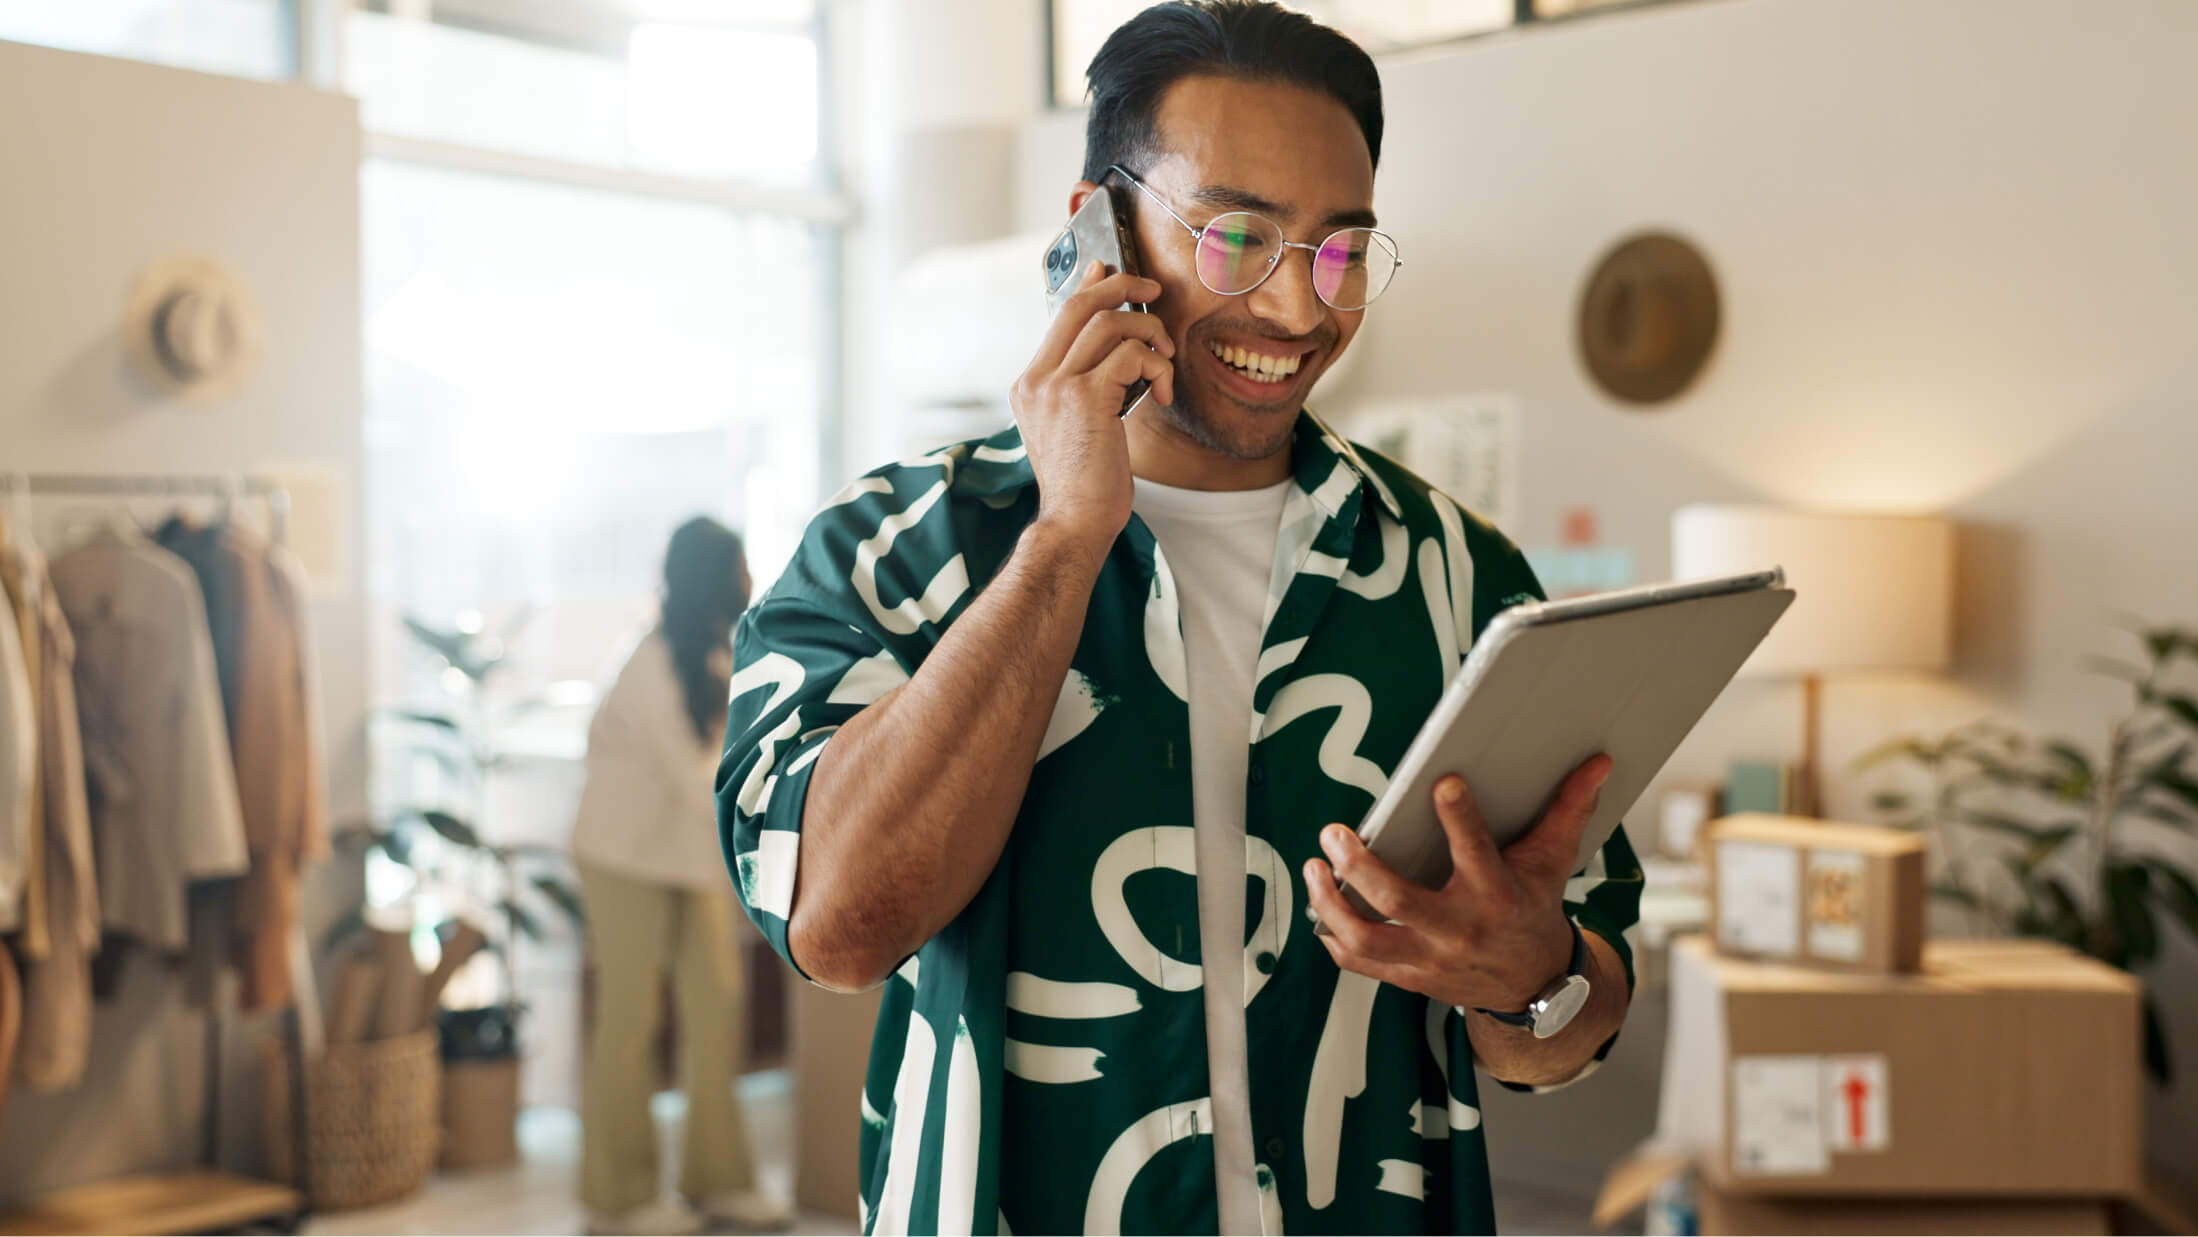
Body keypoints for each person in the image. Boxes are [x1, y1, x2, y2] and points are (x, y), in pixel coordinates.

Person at [717, 3, 1642, 1231]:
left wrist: (1532, 979)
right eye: (1236, 236)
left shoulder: (1461, 577)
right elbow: (833, 927)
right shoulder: (894, 551)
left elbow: (1575, 1022)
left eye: (1339, 251)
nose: (1300, 313)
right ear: (1097, 229)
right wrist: (1062, 542)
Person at [572, 517, 787, 1236]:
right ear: (711, 577)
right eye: (740, 567)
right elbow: (706, 783)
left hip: (686, 857)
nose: (751, 579)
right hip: (623, 857)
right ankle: (620, 1197)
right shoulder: (650, 663)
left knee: (717, 1006)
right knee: (631, 1018)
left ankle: (718, 1179)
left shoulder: (722, 654)